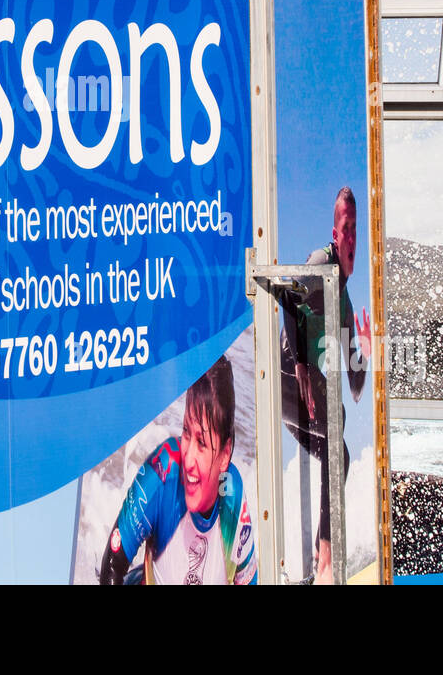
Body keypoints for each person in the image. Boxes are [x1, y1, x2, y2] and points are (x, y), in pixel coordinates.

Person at [278, 186, 370, 584]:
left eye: (356, 231)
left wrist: (363, 353)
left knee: (341, 449)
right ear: (334, 234)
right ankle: (326, 561)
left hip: (306, 401)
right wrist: (299, 362)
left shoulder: (346, 306)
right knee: (337, 429)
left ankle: (320, 562)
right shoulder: (322, 262)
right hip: (286, 378)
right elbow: (285, 292)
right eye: (346, 229)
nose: (351, 239)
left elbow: (355, 385)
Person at [99, 355, 256, 585]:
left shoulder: (232, 496)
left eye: (202, 443)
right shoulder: (164, 472)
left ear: (225, 453)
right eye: (186, 432)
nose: (189, 457)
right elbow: (112, 567)